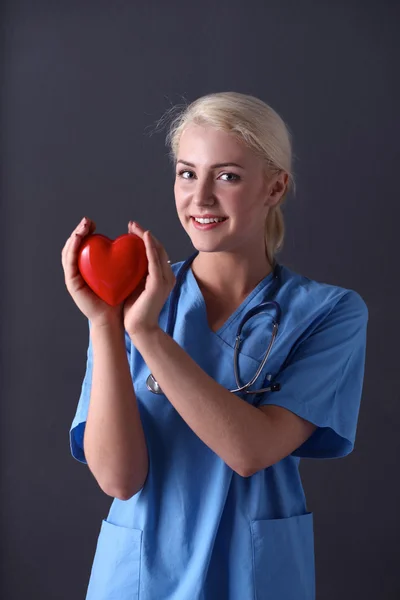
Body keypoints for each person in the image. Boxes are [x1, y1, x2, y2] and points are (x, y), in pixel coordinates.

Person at [62, 91, 369, 600]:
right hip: (138, 578)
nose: (200, 197)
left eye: (227, 176)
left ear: (275, 187)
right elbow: (119, 478)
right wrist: (104, 323)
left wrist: (146, 335)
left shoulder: (329, 314)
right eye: (187, 173)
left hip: (253, 575)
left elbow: (250, 451)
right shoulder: (127, 298)